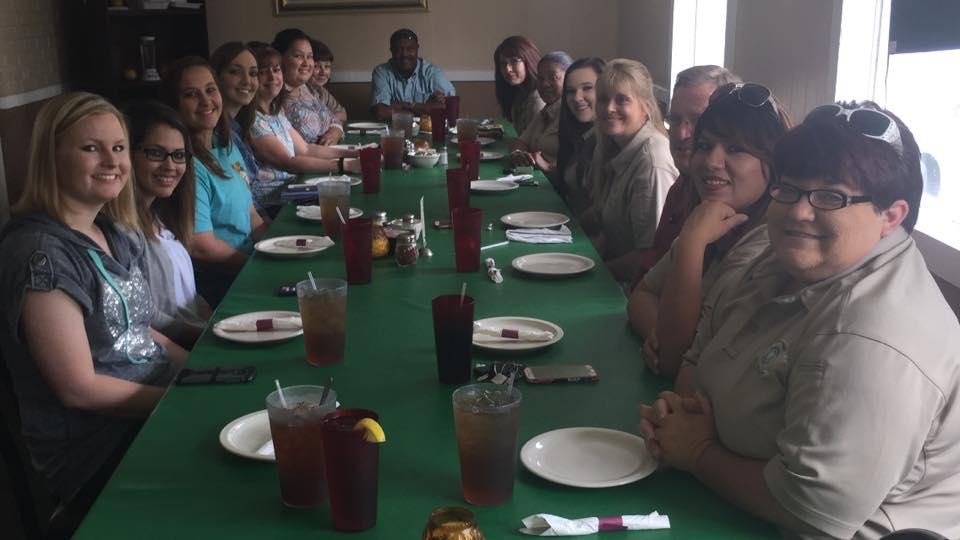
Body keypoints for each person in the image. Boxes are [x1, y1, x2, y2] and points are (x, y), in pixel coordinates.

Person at [639, 103, 960, 539]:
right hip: (727, 504)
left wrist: (697, 450)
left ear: (892, 215)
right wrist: (683, 419)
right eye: (789, 189)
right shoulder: (779, 262)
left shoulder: (875, 335)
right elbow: (695, 364)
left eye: (831, 197)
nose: (799, 211)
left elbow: (814, 509)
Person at [0, 92, 185, 509]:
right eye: (90, 148)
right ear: (51, 157)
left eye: (118, 147)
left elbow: (140, 330)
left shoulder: (113, 231)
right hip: (101, 453)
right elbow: (78, 389)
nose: (112, 161)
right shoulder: (40, 255)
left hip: (152, 413)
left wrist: (197, 371)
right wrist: (183, 404)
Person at [627, 82, 792, 379]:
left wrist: (691, 245)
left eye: (735, 149)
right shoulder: (711, 217)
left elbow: (674, 359)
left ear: (774, 162)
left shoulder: (770, 246)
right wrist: (658, 329)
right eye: (705, 146)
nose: (712, 162)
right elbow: (641, 296)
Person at [161, 56, 268, 307]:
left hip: (248, 264)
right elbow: (202, 246)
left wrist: (277, 246)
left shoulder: (226, 144)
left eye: (211, 90)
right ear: (174, 105)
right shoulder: (185, 164)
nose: (206, 101)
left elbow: (250, 213)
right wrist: (257, 266)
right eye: (191, 94)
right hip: (220, 283)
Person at [634, 65, 742, 277]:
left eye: (698, 120)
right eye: (674, 120)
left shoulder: (730, 201)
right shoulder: (683, 185)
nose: (682, 133)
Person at [580, 59, 678, 284]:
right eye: (603, 99)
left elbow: (651, 256)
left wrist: (593, 274)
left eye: (622, 100)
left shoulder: (652, 162)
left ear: (646, 106)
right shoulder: (612, 145)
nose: (609, 108)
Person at [125, 100, 211, 348]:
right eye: (156, 153)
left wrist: (215, 320)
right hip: (174, 350)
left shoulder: (161, 215)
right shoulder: (123, 230)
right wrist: (205, 333)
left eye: (178, 155)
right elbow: (147, 316)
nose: (170, 166)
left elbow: (191, 296)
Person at [247, 44, 359, 206]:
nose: (272, 77)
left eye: (276, 70)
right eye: (263, 72)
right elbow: (290, 162)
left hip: (294, 191)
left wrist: (357, 154)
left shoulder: (275, 112)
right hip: (275, 204)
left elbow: (306, 149)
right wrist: (346, 164)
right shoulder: (253, 120)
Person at [272, 28, 343, 146]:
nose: (306, 63)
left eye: (309, 57)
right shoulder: (274, 96)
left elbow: (335, 121)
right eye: (298, 56)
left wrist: (333, 135)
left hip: (328, 155)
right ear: (280, 58)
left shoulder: (307, 88)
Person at [370, 28, 456, 121]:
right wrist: (425, 107)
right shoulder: (382, 72)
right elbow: (381, 113)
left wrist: (402, 105)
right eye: (398, 50)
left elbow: (449, 108)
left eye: (410, 49)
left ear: (417, 49)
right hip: (394, 131)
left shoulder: (431, 72)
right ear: (391, 51)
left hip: (426, 131)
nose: (404, 55)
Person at [510, 51, 572, 178]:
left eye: (553, 77)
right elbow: (521, 142)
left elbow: (576, 166)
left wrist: (548, 167)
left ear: (569, 80)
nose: (544, 84)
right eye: (540, 78)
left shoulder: (573, 114)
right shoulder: (546, 110)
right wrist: (518, 154)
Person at [556, 57, 605, 215]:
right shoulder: (580, 136)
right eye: (570, 91)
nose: (577, 97)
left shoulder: (610, 141)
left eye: (587, 88)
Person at [210, 42, 260, 189]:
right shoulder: (214, 133)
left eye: (253, 73)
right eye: (234, 72)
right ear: (216, 77)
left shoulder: (237, 127)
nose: (247, 81)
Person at [494, 35, 544, 134]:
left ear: (529, 61)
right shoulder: (518, 93)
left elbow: (536, 145)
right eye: (503, 64)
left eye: (514, 61)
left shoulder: (538, 100)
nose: (508, 69)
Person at [307, 38, 347, 123]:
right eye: (316, 66)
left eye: (327, 66)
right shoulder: (301, 92)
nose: (323, 72)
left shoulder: (322, 91)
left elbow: (343, 114)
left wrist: (326, 119)